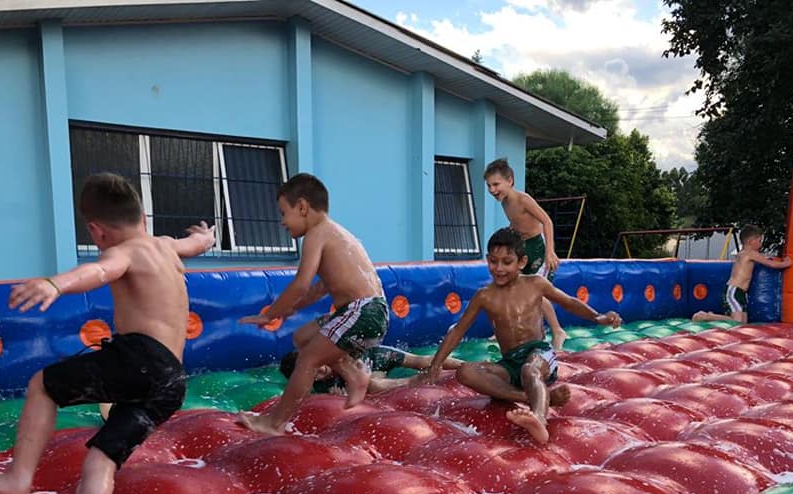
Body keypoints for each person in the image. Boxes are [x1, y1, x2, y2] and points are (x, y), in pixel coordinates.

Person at [0, 173, 215, 494]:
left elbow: (100, 272)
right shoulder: (167, 247)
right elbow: (196, 244)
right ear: (143, 215)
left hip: (143, 359)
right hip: (171, 381)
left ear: (95, 230)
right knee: (103, 456)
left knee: (42, 385)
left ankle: (17, 478)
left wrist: (56, 283)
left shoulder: (124, 252)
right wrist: (206, 238)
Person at [422, 227, 621, 444]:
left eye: (507, 262)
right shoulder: (485, 296)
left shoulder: (535, 284)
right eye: (493, 261)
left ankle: (539, 421)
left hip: (539, 354)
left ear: (522, 262)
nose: (499, 268)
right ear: (487, 259)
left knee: (530, 369)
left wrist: (598, 317)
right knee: (466, 372)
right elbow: (458, 330)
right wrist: (435, 365)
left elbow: (569, 302)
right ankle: (536, 397)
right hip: (510, 363)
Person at [239, 173, 387, 435]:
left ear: (303, 207)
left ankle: (274, 423)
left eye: (284, 213)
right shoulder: (338, 233)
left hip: (361, 310)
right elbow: (320, 287)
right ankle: (354, 374)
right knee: (302, 336)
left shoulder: (317, 234)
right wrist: (292, 309)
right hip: (368, 311)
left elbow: (301, 282)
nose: (282, 221)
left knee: (307, 360)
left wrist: (271, 314)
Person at [484, 158, 568, 351]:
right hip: (523, 247)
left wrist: (550, 251)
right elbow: (517, 223)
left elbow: (547, 221)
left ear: (510, 180)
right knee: (512, 287)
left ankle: (557, 331)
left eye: (496, 184)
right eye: (489, 185)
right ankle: (511, 330)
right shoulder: (505, 203)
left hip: (538, 247)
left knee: (536, 291)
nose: (492, 190)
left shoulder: (523, 199)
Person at [692, 224, 792, 323]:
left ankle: (710, 316)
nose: (761, 244)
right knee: (737, 322)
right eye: (759, 240)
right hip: (734, 291)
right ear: (751, 242)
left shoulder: (743, 253)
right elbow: (772, 264)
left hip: (740, 292)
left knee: (743, 323)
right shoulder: (750, 253)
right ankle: (707, 316)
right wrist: (787, 263)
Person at [279, 345, 462, 394]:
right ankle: (415, 380)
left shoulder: (335, 357)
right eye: (314, 375)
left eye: (316, 365)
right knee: (373, 385)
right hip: (371, 377)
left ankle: (463, 365)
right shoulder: (321, 388)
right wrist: (339, 398)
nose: (321, 371)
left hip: (373, 356)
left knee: (421, 360)